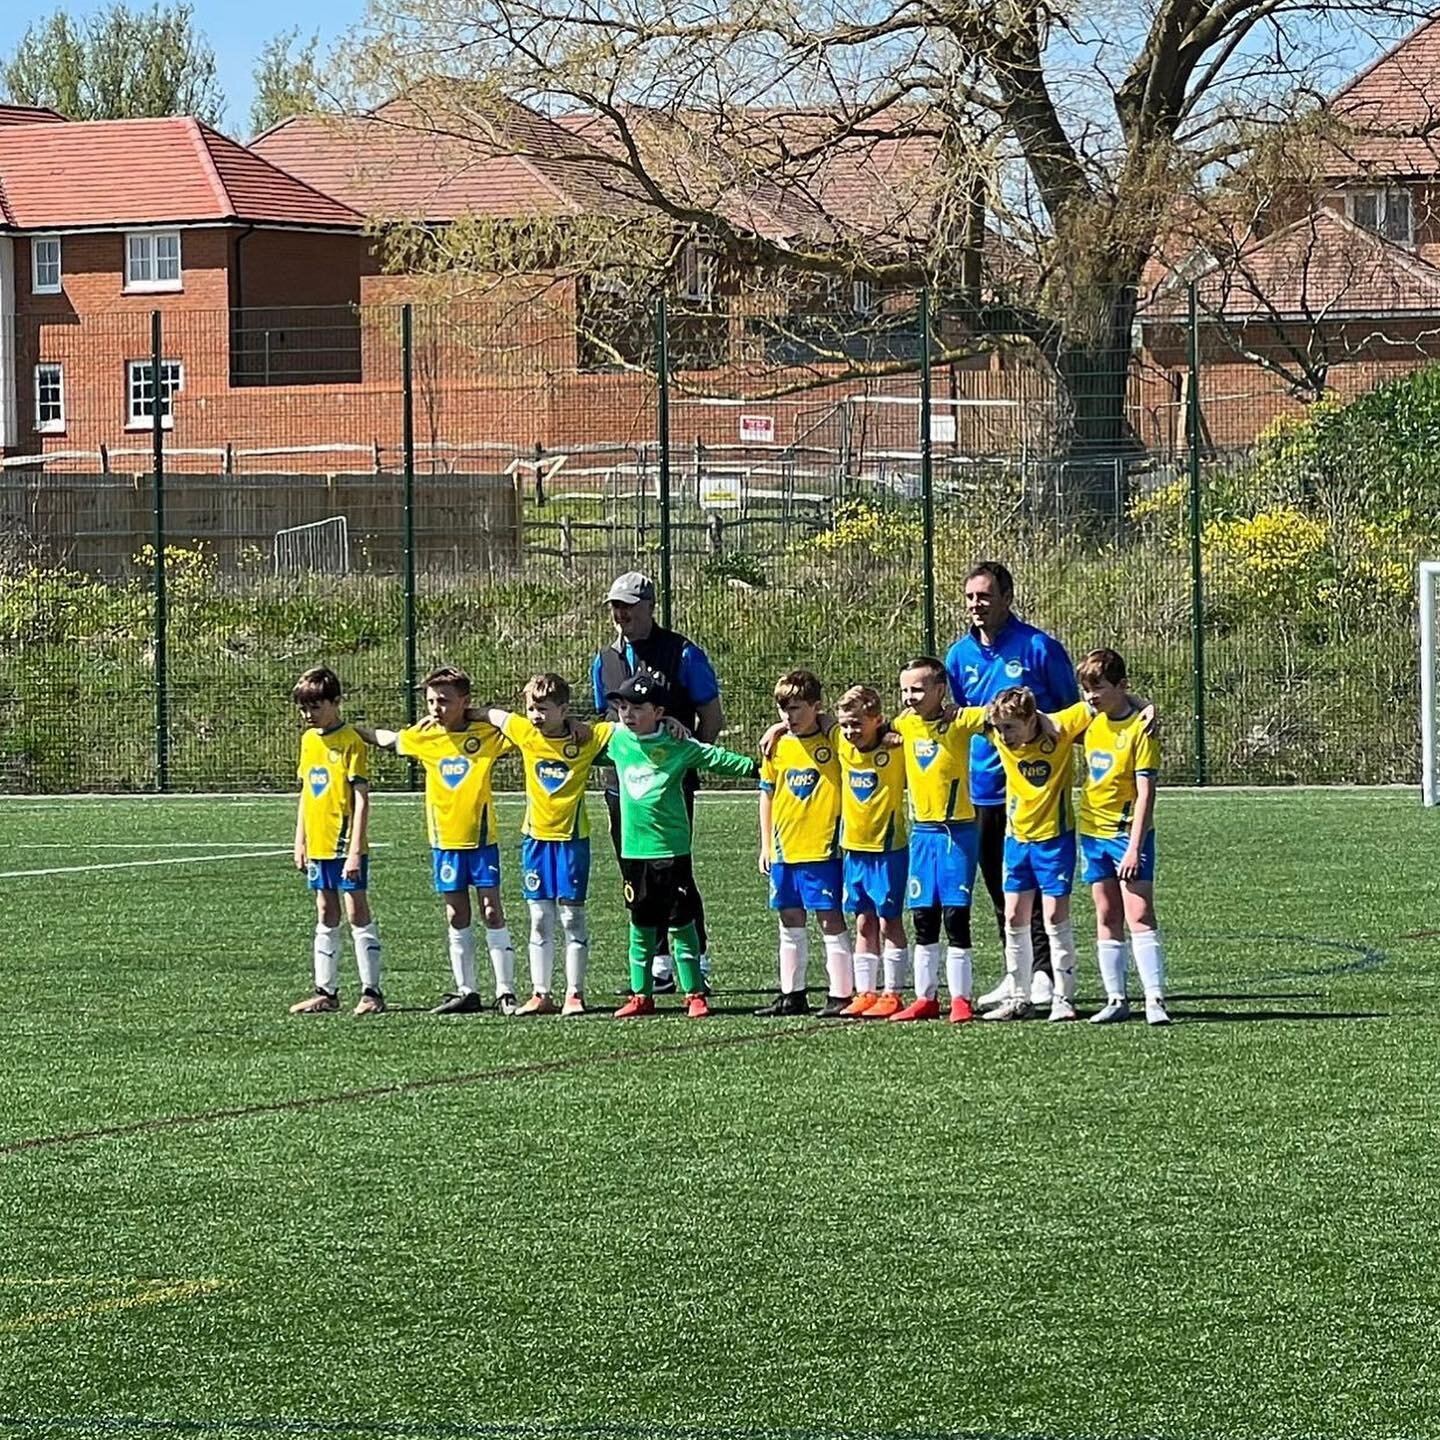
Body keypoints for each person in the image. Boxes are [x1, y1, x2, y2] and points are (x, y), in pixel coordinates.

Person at [944, 561, 1079, 1009]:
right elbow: (960, 718)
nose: (975, 605)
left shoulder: (1039, 647)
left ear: (1007, 597)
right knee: (1004, 887)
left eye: (984, 596)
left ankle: (1044, 973)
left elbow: (1071, 712)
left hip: (1035, 793)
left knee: (1040, 887)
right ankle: (1016, 972)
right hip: (982, 787)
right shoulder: (958, 655)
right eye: (969, 597)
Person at [592, 572, 723, 993]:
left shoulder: (683, 653)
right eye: (615, 605)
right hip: (621, 787)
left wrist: (685, 761)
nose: (620, 613)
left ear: (650, 606)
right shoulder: (605, 659)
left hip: (668, 786)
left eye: (629, 604)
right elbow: (605, 721)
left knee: (676, 871)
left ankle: (696, 960)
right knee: (635, 872)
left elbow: (712, 716)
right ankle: (658, 965)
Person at [361, 666, 518, 1016]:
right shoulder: (425, 736)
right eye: (431, 701)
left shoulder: (485, 735)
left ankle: (505, 991)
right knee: (455, 912)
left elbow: (520, 730)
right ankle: (467, 991)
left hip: (480, 841)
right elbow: (391, 740)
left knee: (491, 910)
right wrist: (355, 732)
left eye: (444, 701)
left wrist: (481, 715)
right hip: (444, 842)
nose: (435, 708)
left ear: (465, 701)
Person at [603, 673, 759, 1019]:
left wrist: (756, 769)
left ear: (658, 711)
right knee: (640, 926)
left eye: (637, 707)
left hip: (670, 852)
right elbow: (579, 738)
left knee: (681, 924)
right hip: (634, 853)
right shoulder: (616, 741)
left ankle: (694, 994)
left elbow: (715, 757)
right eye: (623, 706)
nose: (627, 714)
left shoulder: (677, 745)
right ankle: (641, 995)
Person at [478, 674, 613, 1018]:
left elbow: (624, 726)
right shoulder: (525, 732)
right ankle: (541, 993)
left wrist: (670, 721)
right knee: (539, 918)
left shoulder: (587, 739)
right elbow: (492, 715)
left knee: (571, 918)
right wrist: (459, 712)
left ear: (564, 709)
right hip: (535, 841)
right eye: (531, 708)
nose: (535, 715)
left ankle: (574, 993)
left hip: (571, 841)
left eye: (543, 709)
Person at [981, 686, 1092, 1023]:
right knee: (1014, 916)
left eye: (1011, 727)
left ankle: (1063, 997)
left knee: (1055, 917)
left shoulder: (1060, 727)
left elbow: (1097, 704)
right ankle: (1019, 997)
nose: (1003, 735)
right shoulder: (995, 732)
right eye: (999, 728)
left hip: (1054, 840)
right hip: (1016, 840)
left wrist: (1144, 706)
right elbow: (950, 715)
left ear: (1030, 719)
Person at [889, 657, 990, 1023]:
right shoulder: (904, 724)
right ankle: (925, 997)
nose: (909, 697)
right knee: (923, 916)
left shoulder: (960, 721)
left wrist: (963, 711)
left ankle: (961, 998)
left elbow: (1004, 709)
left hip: (957, 833)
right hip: (922, 835)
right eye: (904, 690)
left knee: (955, 916)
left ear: (940, 690)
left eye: (917, 689)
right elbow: (863, 727)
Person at [1075, 649, 1170, 1026]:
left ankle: (1155, 998)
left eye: (1098, 688)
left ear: (1121, 686)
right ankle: (1116, 997)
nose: (1091, 697)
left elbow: (1146, 793)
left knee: (1140, 913)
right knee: (1106, 913)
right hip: (1092, 832)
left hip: (1126, 834)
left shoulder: (1141, 730)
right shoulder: (1090, 723)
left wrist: (1133, 846)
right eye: (1086, 690)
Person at [288, 666, 384, 1016]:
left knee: (356, 910)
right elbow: (305, 794)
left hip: (344, 844)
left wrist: (355, 850)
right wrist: (300, 841)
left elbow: (361, 798)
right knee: (325, 910)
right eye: (304, 708)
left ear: (336, 702)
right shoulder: (309, 741)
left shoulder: (351, 742)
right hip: (318, 843)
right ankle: (325, 991)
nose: (308, 715)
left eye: (315, 707)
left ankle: (372, 992)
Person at [755, 668, 851, 1019]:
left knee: (829, 919)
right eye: (783, 709)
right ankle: (791, 994)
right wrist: (766, 845)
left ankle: (841, 994)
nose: (788, 716)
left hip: (823, 848)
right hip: (785, 849)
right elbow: (767, 795)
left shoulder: (834, 741)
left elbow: (845, 733)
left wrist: (825, 721)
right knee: (789, 919)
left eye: (796, 708)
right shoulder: (777, 745)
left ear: (816, 706)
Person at [832, 685, 910, 1018]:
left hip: (887, 848)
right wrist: (778, 727)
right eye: (846, 724)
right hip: (853, 849)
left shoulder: (896, 745)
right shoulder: (840, 742)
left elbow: (915, 722)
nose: (851, 732)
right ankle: (866, 992)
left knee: (888, 921)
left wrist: (893, 731)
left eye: (858, 724)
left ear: (877, 720)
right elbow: (818, 720)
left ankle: (892, 992)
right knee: (863, 921)